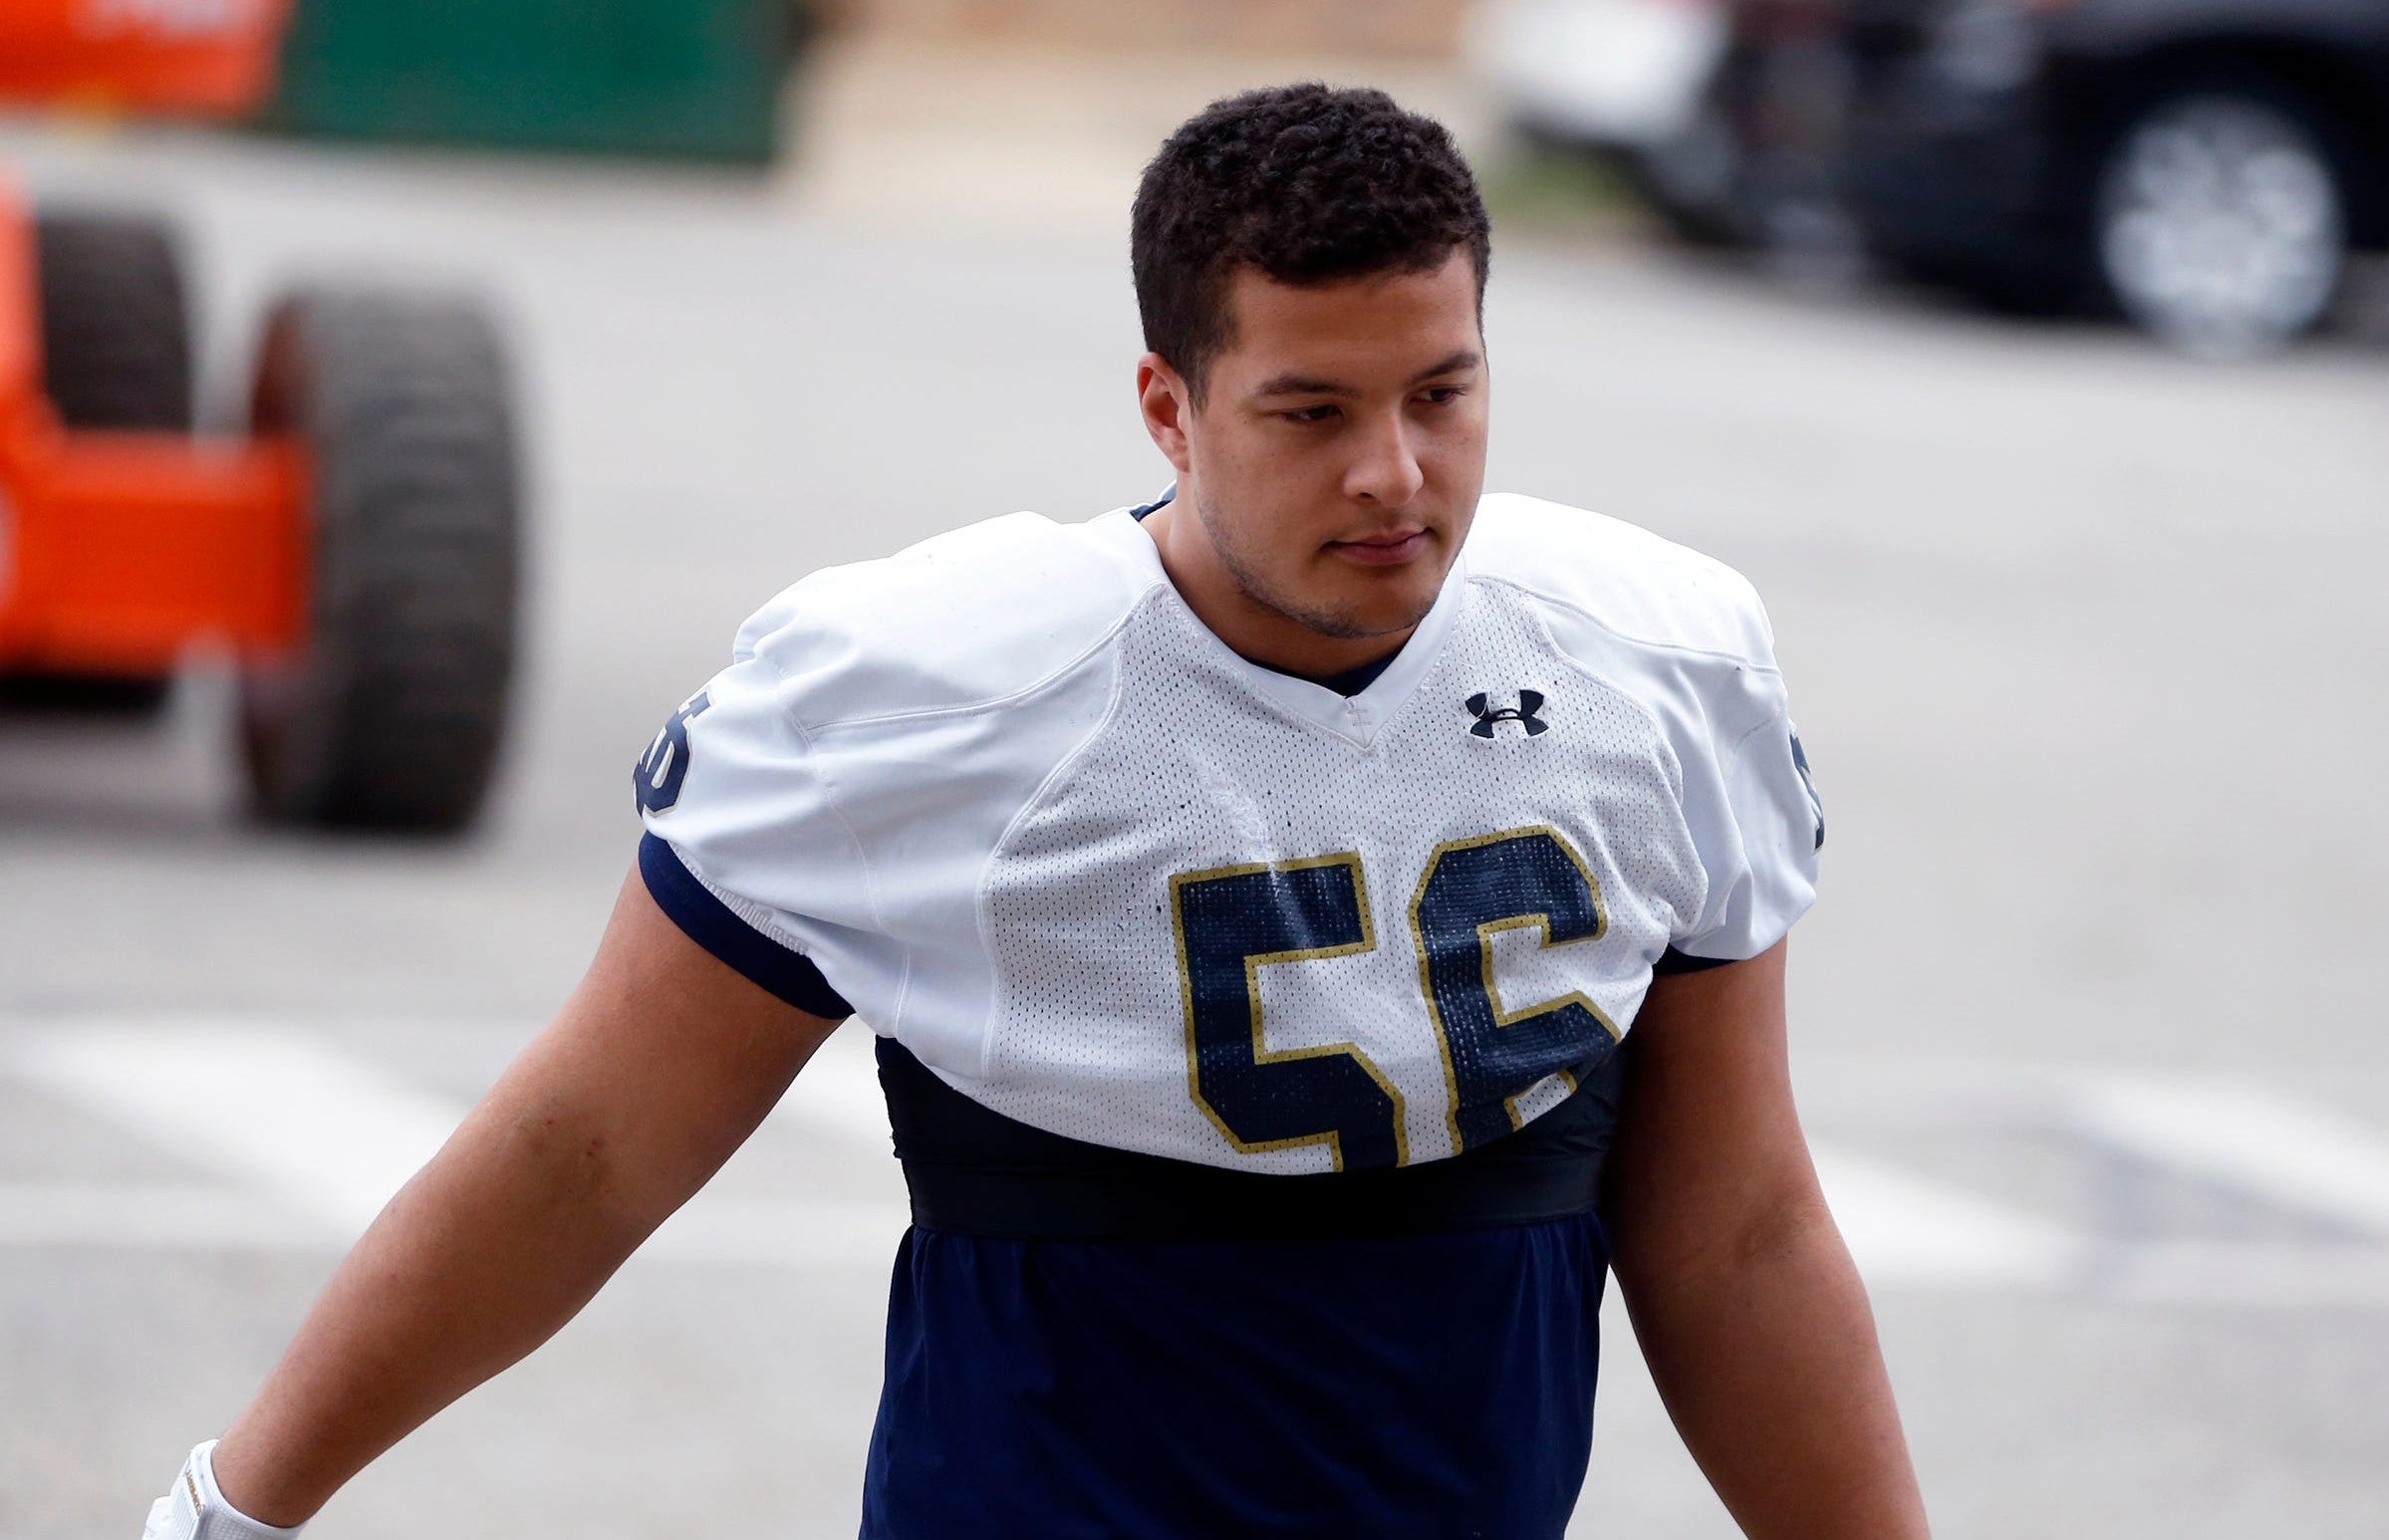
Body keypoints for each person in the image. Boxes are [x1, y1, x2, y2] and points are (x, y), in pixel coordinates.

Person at [144, 84, 1929, 1540]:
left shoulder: (1654, 659)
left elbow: (1738, 1224)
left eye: (1441, 394)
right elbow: (590, 1149)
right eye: (1309, 409)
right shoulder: (930, 694)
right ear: (1168, 405)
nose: (1394, 474)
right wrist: (246, 1501)